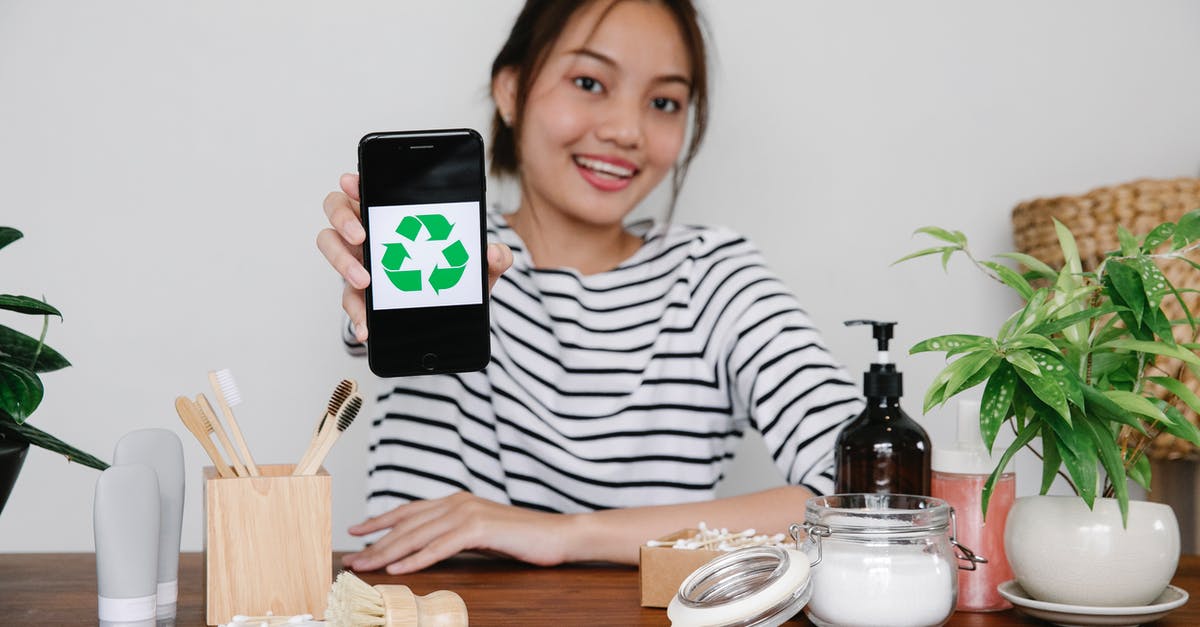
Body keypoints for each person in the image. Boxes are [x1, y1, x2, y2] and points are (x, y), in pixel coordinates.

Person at [316, 0, 862, 576]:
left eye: (664, 102)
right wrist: (367, 280)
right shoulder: (452, 255)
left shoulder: (712, 276)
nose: (626, 130)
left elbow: (867, 496)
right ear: (510, 91)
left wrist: (561, 535)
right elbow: (369, 318)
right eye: (588, 82)